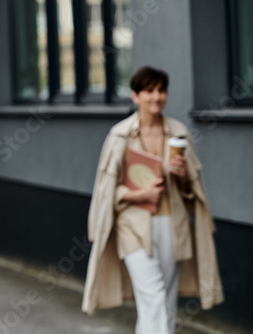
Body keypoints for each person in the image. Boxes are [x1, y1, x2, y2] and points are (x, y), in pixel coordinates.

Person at [81, 66, 223, 333]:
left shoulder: (178, 133)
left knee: (165, 302)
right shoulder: (120, 135)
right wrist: (139, 194)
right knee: (154, 298)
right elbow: (106, 191)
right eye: (149, 91)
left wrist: (182, 177)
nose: (156, 97)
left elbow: (192, 192)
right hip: (132, 226)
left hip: (172, 224)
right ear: (135, 96)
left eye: (161, 90)